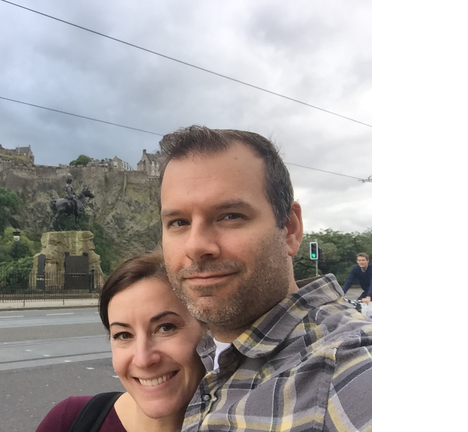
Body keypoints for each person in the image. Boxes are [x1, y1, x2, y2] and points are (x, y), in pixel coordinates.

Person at [158, 126, 372, 431]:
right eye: (178, 222)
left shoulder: (348, 365)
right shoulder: (197, 360)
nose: (196, 247)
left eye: (230, 216)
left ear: (291, 229)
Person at [36, 252, 206, 431]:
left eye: (165, 328)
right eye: (124, 335)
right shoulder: (69, 421)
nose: (143, 360)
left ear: (209, 331)